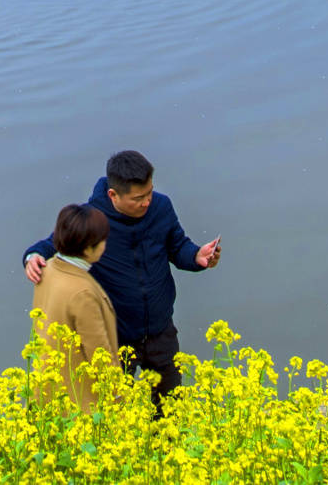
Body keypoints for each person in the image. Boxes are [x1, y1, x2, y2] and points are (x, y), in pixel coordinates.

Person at [23, 151, 221, 404]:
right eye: (138, 198)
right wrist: (32, 256)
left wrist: (197, 257)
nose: (146, 202)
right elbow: (54, 244)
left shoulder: (161, 207)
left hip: (160, 331)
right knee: (114, 407)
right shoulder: (93, 220)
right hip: (116, 337)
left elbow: (177, 245)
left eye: (149, 192)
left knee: (171, 403)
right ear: (113, 195)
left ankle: (168, 442)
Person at [30, 203, 119, 414]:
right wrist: (118, 395)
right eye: (102, 242)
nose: (105, 246)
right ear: (88, 249)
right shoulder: (82, 292)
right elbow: (99, 353)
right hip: (79, 403)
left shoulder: (48, 268)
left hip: (47, 389)